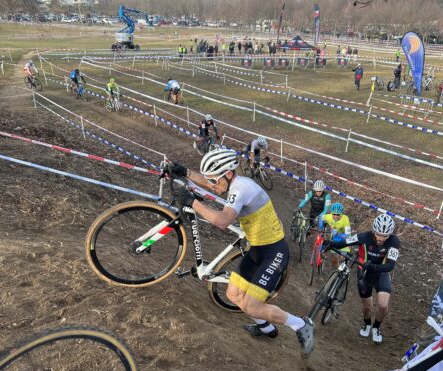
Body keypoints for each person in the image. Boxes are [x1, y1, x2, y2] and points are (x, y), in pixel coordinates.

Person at [163, 149, 315, 356]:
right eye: (211, 181)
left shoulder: (241, 188)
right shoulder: (232, 182)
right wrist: (186, 173)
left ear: (228, 174)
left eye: (215, 181)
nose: (213, 186)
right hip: (257, 248)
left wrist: (193, 202)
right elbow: (210, 182)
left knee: (252, 306)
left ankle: (301, 324)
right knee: (233, 293)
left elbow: (222, 222)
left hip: (274, 252)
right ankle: (266, 328)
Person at [324, 214, 399, 344]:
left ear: (390, 235)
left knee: (383, 305)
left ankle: (376, 327)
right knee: (367, 307)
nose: (381, 238)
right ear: (373, 231)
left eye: (385, 236)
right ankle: (367, 323)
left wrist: (374, 266)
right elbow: (344, 242)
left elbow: (390, 265)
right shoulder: (363, 237)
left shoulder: (394, 241)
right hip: (364, 273)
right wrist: (331, 243)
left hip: (382, 273)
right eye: (378, 234)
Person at [318, 202, 351, 268]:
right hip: (334, 240)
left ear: (341, 214)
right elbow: (321, 218)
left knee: (342, 258)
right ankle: (335, 275)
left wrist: (338, 234)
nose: (336, 216)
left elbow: (347, 235)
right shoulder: (329, 217)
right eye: (334, 214)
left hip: (345, 240)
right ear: (332, 213)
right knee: (334, 260)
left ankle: (344, 273)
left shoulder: (345, 219)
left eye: (338, 214)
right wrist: (321, 227)